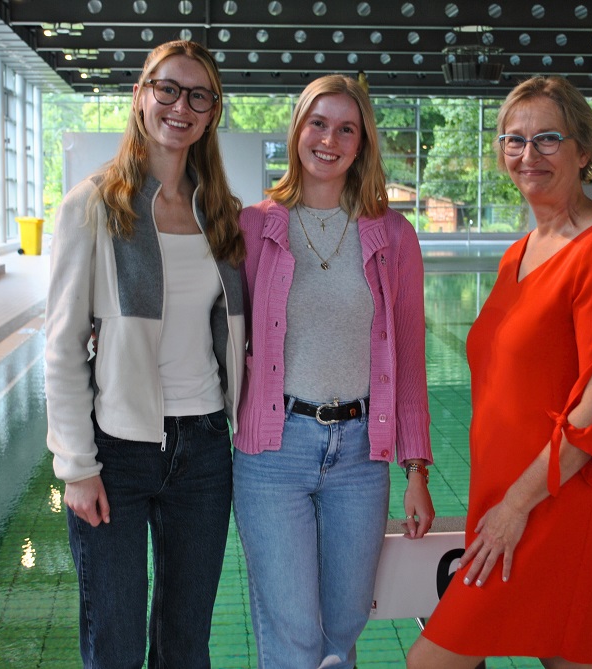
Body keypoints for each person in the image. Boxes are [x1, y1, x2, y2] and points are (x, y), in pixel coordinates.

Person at [407, 75, 592, 669]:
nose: (528, 155)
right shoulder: (520, 251)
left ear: (583, 148)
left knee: (432, 660)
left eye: (547, 138)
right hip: (504, 494)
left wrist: (517, 505)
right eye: (513, 141)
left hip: (553, 498)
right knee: (557, 654)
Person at [44, 40, 245, 669]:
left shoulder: (220, 213)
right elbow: (62, 346)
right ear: (140, 95)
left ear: (212, 112)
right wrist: (76, 465)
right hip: (119, 451)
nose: (180, 106)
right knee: (117, 642)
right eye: (167, 89)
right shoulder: (96, 206)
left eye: (198, 95)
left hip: (206, 447)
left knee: (186, 645)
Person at [233, 74, 436, 669]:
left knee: (344, 629)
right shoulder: (254, 227)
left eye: (346, 128)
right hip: (274, 454)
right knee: (293, 635)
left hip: (359, 456)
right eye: (318, 123)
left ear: (363, 141)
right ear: (298, 129)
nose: (330, 139)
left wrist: (416, 468)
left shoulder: (393, 236)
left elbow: (408, 356)